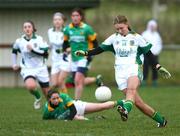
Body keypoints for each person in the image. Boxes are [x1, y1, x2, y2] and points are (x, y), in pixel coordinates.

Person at [75, 15, 171, 127]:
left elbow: (149, 54)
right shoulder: (113, 38)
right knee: (138, 103)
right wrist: (86, 53)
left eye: (122, 28)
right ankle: (161, 121)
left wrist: (158, 67)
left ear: (127, 24)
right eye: (117, 29)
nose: (120, 31)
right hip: (120, 73)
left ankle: (125, 110)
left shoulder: (137, 37)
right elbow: (99, 49)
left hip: (134, 68)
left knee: (131, 90)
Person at [12, 20, 50, 109]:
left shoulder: (39, 39)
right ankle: (37, 97)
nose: (27, 29)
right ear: (23, 29)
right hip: (27, 68)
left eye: (29, 27)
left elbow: (46, 54)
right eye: (25, 27)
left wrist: (33, 50)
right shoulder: (19, 41)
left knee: (47, 93)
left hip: (41, 68)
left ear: (33, 28)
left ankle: (52, 109)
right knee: (31, 86)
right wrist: (14, 64)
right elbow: (14, 51)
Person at [63, 8, 99, 100]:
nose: (75, 17)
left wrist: (90, 54)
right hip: (73, 58)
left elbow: (95, 43)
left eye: (77, 15)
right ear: (71, 17)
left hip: (84, 57)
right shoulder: (67, 29)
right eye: (73, 16)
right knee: (78, 81)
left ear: (81, 17)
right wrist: (65, 50)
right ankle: (96, 79)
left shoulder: (87, 29)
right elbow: (65, 43)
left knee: (77, 80)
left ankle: (77, 102)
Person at [43, 89, 120, 120]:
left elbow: (73, 110)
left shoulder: (63, 97)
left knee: (102, 106)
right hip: (71, 115)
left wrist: (68, 121)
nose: (57, 100)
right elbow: (47, 121)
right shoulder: (47, 111)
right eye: (54, 99)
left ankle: (121, 102)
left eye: (57, 98)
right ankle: (97, 119)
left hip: (77, 107)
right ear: (49, 99)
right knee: (79, 119)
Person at [48, 12, 71, 93]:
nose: (57, 21)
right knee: (54, 84)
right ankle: (57, 102)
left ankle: (67, 101)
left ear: (63, 21)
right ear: (53, 21)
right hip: (55, 60)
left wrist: (70, 49)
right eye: (55, 20)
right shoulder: (50, 31)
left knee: (60, 81)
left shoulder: (67, 30)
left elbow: (72, 44)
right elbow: (51, 45)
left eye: (59, 19)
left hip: (65, 59)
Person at [142, 19, 163, 86]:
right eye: (151, 26)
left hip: (155, 55)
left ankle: (155, 81)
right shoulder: (145, 34)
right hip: (146, 54)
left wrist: (156, 52)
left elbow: (159, 44)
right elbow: (142, 44)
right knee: (145, 68)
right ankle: (144, 81)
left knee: (155, 68)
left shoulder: (157, 35)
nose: (152, 27)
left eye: (154, 26)